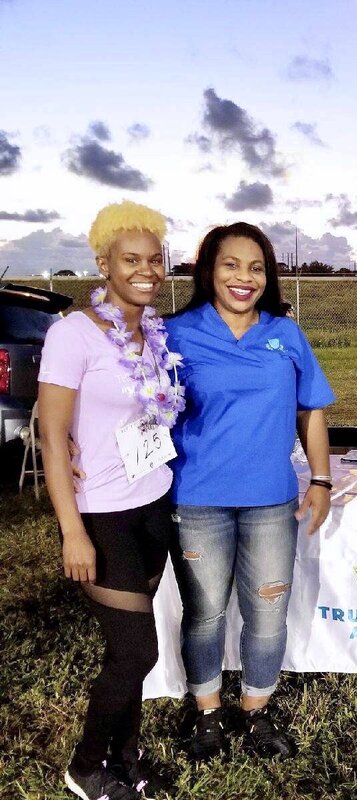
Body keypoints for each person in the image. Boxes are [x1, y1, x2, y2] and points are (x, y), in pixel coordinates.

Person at [164, 222, 335, 761]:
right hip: (196, 499)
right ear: (208, 271)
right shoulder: (174, 333)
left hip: (269, 499)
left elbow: (312, 410)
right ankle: (208, 712)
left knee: (266, 612)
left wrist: (322, 478)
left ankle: (257, 712)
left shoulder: (286, 333)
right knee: (206, 611)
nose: (244, 277)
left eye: (256, 267)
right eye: (231, 265)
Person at [39, 201, 182, 800]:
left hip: (154, 502)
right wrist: (72, 529)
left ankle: (128, 756)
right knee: (135, 651)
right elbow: (51, 437)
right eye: (131, 259)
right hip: (101, 513)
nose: (146, 269)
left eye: (155, 259)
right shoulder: (72, 334)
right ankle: (87, 764)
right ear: (103, 264)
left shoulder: (152, 333)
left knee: (131, 647)